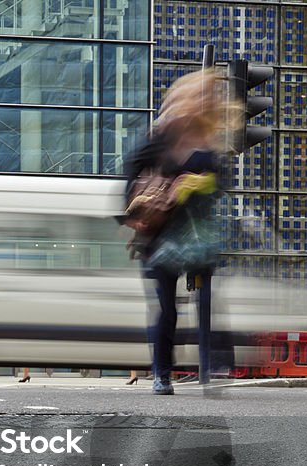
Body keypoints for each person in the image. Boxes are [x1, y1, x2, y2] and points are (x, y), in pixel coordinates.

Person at [125, 68, 229, 395]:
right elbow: (132, 172)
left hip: (198, 233)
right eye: (200, 94)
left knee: (207, 300)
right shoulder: (164, 134)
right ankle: (162, 373)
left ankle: (210, 366)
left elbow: (220, 185)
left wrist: (196, 183)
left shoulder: (210, 139)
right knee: (167, 308)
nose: (204, 101)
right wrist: (134, 215)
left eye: (208, 96)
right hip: (160, 234)